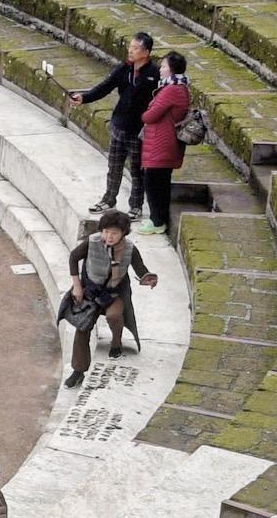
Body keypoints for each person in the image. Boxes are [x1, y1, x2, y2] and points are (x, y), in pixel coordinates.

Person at [61, 210, 158, 388]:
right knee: (82, 328)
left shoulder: (129, 249)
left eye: (114, 233)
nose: (109, 236)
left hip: (115, 294)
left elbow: (140, 268)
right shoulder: (92, 242)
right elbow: (74, 258)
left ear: (123, 233)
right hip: (90, 292)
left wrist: (149, 277)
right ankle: (78, 370)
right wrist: (76, 286)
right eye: (106, 231)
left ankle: (116, 342)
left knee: (114, 315)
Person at [75, 32, 160, 208]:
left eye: (135, 48)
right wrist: (85, 98)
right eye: (130, 47)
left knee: (137, 171)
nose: (130, 51)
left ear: (146, 52)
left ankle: (136, 206)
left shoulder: (155, 74)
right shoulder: (124, 69)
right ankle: (108, 199)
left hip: (139, 131)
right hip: (119, 125)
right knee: (114, 167)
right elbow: (106, 86)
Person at [134, 49, 198, 235]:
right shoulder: (177, 87)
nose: (160, 69)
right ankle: (158, 218)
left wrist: (145, 113)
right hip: (162, 142)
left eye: (163, 66)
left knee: (153, 182)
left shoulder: (172, 90)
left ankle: (157, 220)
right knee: (159, 181)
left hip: (162, 143)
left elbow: (150, 115)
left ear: (172, 69)